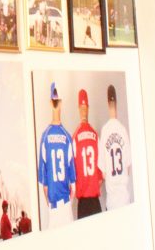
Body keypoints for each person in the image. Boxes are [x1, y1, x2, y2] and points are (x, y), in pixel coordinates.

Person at [38, 82, 76, 228]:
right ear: (61, 103)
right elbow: (74, 186)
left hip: (53, 209)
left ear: (50, 102)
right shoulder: (67, 137)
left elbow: (44, 184)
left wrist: (50, 204)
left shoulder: (45, 137)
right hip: (66, 206)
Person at [98, 84, 132, 210]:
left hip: (111, 202)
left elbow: (103, 173)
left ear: (108, 103)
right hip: (124, 199)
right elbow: (127, 168)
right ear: (116, 103)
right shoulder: (122, 130)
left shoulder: (105, 130)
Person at [73, 89, 103, 218]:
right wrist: (93, 184)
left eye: (84, 108)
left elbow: (72, 175)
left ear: (79, 108)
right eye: (83, 108)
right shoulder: (95, 135)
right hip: (95, 202)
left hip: (83, 204)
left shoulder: (75, 136)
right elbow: (101, 174)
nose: (84, 110)